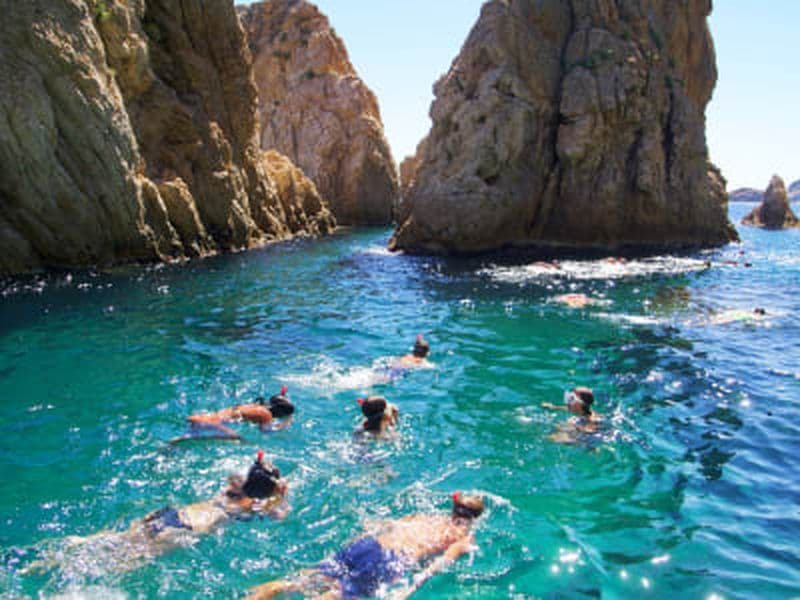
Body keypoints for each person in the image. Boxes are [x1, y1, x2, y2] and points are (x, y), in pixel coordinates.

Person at [23, 451, 288, 575]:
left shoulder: (233, 487)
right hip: (185, 530)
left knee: (116, 539)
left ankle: (45, 561)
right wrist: (280, 494)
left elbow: (242, 475)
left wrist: (260, 468)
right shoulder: (248, 505)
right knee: (123, 564)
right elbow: (278, 514)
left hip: (169, 514)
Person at [247, 492, 485, 599]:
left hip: (368, 545)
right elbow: (440, 564)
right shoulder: (463, 538)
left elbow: (384, 525)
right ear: (476, 518)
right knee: (336, 595)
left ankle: (257, 595)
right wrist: (407, 590)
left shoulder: (424, 516)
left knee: (305, 579)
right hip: (390, 561)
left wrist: (353, 543)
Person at [177, 386, 295, 442]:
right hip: (210, 423)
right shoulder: (266, 415)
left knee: (184, 439)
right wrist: (286, 423)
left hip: (202, 418)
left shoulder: (256, 406)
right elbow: (266, 431)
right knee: (237, 438)